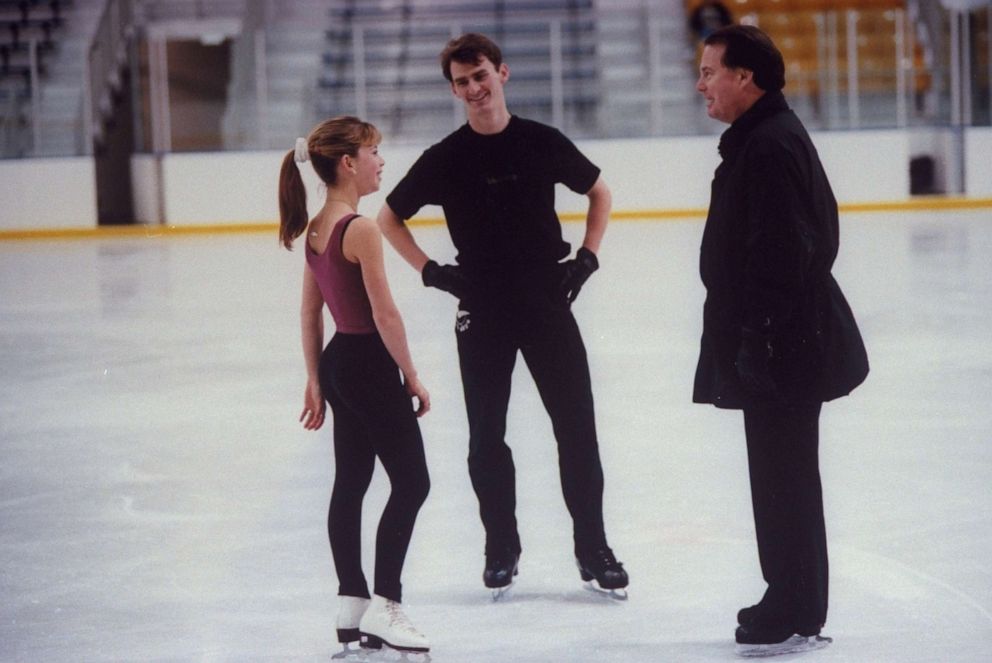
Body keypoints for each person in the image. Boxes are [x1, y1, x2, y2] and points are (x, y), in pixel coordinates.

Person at [376, 32, 628, 598]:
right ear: (454, 89)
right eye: (462, 82)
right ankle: (501, 546)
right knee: (486, 436)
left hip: (546, 299)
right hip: (483, 306)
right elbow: (389, 218)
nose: (473, 89)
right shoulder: (445, 158)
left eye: (480, 76)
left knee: (576, 428)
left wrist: (586, 258)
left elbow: (600, 192)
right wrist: (432, 271)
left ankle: (594, 548)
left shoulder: (541, 141)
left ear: (503, 74)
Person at [693, 25, 869, 656]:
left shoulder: (768, 145)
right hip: (780, 336)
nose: (702, 82)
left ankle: (791, 602)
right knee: (784, 473)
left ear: (746, 78)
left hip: (782, 342)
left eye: (711, 71)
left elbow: (788, 249)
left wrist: (758, 337)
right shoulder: (764, 137)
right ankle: (794, 597)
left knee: (782, 475)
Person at [278, 116, 432, 658]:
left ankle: (351, 602)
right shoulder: (359, 229)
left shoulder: (317, 228)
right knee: (413, 483)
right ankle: (387, 604)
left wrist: (317, 379)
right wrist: (411, 374)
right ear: (348, 163)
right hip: (368, 363)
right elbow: (386, 315)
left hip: (340, 362)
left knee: (352, 481)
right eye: (373, 152)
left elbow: (309, 312)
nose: (380, 161)